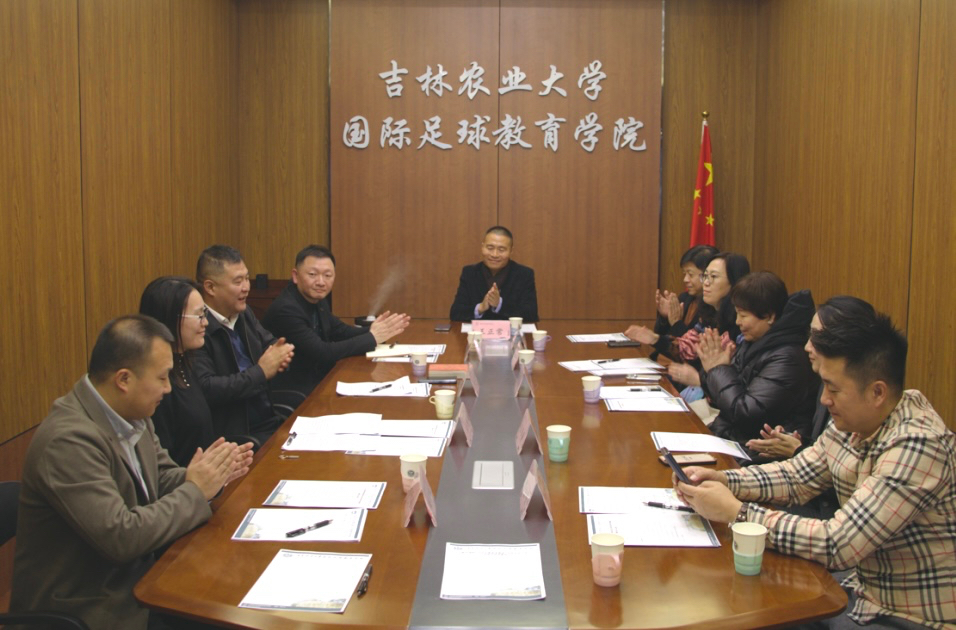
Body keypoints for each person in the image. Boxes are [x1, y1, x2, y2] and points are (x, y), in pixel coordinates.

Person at [675, 309, 956, 629]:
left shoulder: (917, 444)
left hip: (907, 615)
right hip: (862, 588)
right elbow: (796, 476)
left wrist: (737, 513)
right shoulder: (857, 421)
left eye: (833, 389)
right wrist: (725, 479)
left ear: (877, 392)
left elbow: (838, 543)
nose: (824, 400)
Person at [10, 315, 253, 629]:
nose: (168, 388)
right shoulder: (67, 440)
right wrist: (195, 490)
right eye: (162, 378)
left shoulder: (132, 412)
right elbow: (121, 538)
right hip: (92, 604)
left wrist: (209, 476)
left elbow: (160, 479)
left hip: (140, 577)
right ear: (123, 379)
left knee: (233, 587)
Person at [745, 295, 877, 519]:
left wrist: (798, 449)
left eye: (817, 338)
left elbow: (843, 525)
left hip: (830, 514)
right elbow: (803, 470)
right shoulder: (826, 383)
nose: (807, 346)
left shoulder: (908, 438)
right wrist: (724, 479)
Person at [263, 245, 411, 396]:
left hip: (319, 379)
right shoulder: (286, 309)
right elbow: (322, 352)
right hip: (295, 389)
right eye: (313, 274)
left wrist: (377, 330)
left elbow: (340, 331)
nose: (321, 282)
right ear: (295, 276)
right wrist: (372, 337)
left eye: (328, 275)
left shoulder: (317, 298)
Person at [699, 271, 818, 459]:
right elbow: (720, 398)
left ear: (769, 316)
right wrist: (711, 370)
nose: (737, 322)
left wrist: (718, 370)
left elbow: (746, 413)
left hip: (757, 452)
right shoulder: (755, 342)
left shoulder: (788, 358)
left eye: (743, 315)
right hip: (732, 438)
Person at [193, 245, 295, 444]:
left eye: (247, 279)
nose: (246, 287)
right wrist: (262, 371)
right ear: (210, 287)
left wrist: (281, 353)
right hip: (237, 436)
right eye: (238, 281)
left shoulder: (243, 313)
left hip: (268, 418)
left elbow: (270, 343)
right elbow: (208, 388)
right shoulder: (198, 328)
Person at [138, 276, 216, 466]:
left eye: (205, 313)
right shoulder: (156, 385)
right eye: (199, 316)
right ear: (170, 319)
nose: (205, 322)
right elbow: (163, 464)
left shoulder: (185, 362)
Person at [657, 252, 751, 395]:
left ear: (735, 282)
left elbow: (739, 383)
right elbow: (688, 347)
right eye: (705, 276)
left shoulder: (741, 325)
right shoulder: (708, 313)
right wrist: (653, 338)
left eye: (713, 277)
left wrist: (699, 380)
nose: (706, 283)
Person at [625, 245, 719, 357]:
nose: (685, 279)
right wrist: (665, 318)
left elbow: (691, 350)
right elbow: (660, 338)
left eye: (690, 274)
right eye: (684, 274)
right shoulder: (684, 298)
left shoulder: (713, 307)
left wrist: (676, 323)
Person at [449, 226, 539, 322]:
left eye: (501, 249)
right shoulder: (470, 273)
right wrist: (480, 307)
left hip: (511, 331)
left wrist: (499, 304)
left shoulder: (524, 274)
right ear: (482, 247)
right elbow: (455, 313)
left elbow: (531, 314)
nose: (494, 255)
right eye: (490, 248)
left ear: (511, 251)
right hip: (477, 331)